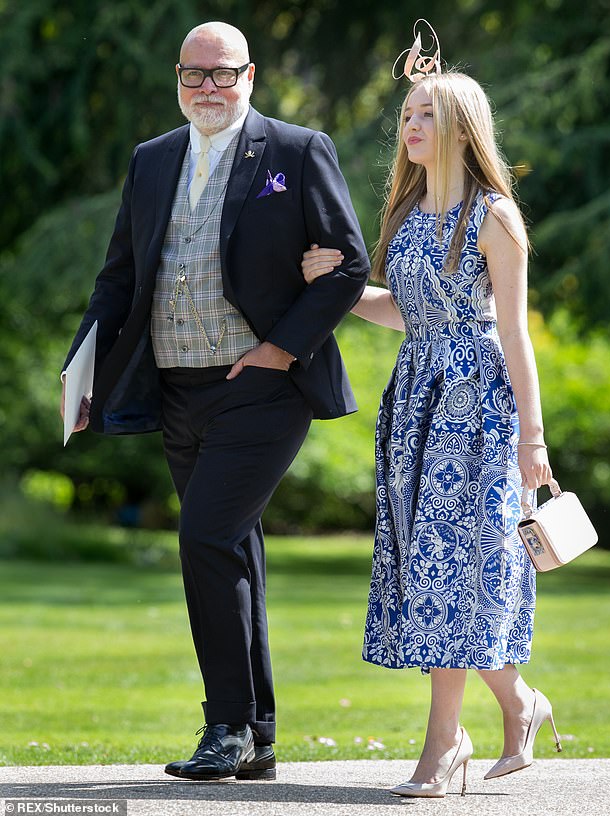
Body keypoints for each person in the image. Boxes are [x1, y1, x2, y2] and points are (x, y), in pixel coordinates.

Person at [60, 21, 369, 781]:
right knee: (232, 547)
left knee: (204, 536)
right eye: (193, 75)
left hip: (263, 389)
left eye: (221, 74)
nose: (206, 88)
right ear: (178, 79)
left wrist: (279, 349)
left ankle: (224, 725)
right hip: (175, 390)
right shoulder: (153, 158)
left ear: (250, 75)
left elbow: (348, 265)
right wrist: (83, 366)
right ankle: (257, 735)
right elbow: (119, 277)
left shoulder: (296, 152)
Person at [301, 24, 561, 799]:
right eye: (406, 114)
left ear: (458, 128)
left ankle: (443, 746)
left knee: (457, 571)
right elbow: (410, 314)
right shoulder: (411, 216)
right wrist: (340, 288)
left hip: (479, 405)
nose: (408, 127)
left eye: (423, 114)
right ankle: (521, 704)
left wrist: (532, 441)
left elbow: (513, 333)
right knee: (431, 570)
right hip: (415, 401)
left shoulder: (495, 216)